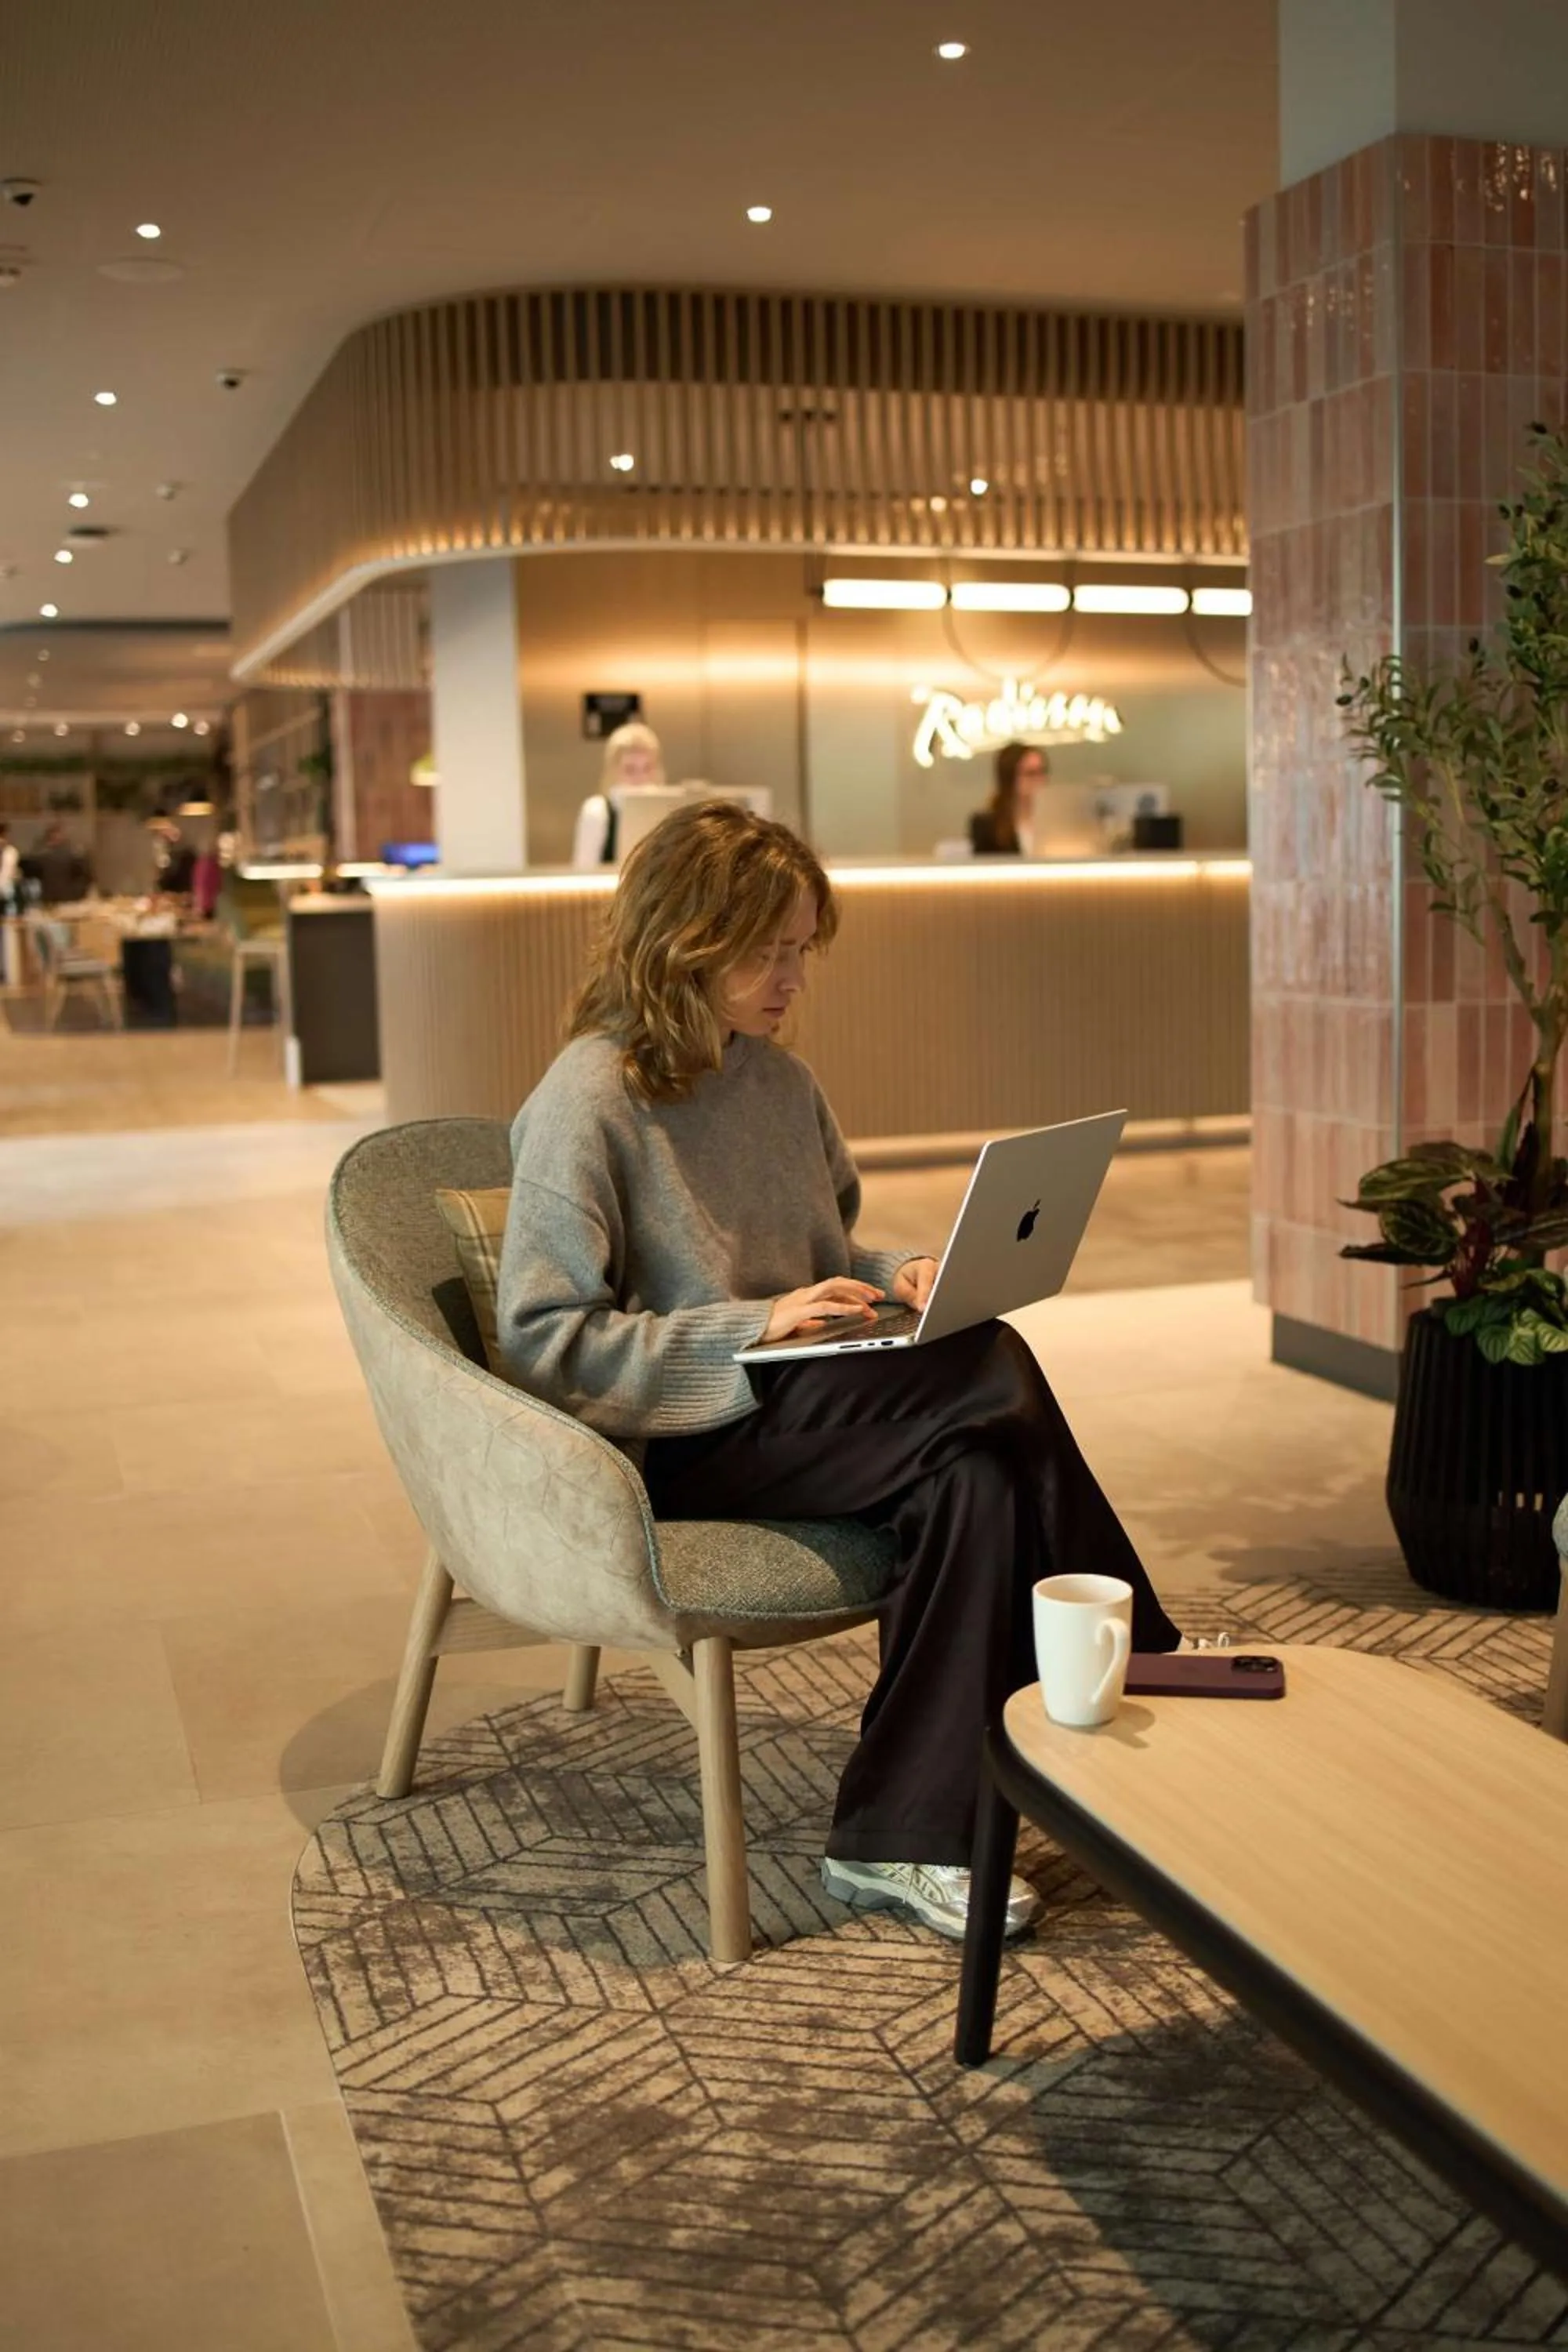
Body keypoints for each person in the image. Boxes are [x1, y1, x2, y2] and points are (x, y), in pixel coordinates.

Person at [495, 800, 1184, 1943]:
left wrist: (897, 1272)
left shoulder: (778, 1084)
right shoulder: (590, 1098)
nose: (791, 978)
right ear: (684, 938)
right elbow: (548, 1346)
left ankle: (901, 1842)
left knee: (977, 1475)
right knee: (992, 1368)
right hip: (685, 1433)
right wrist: (757, 1329)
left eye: (802, 948)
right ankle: (1140, 1657)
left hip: (816, 1404)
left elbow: (821, 1256)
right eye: (766, 951)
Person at [570, 722, 667, 868]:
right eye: (630, 769)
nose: (641, 778)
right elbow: (583, 871)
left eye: (647, 768)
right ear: (614, 771)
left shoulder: (666, 813)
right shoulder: (597, 811)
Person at [969, 740, 1049, 855]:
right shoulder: (987, 826)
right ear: (1010, 778)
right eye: (1030, 773)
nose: (1039, 780)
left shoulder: (1057, 823)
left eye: (1042, 772)